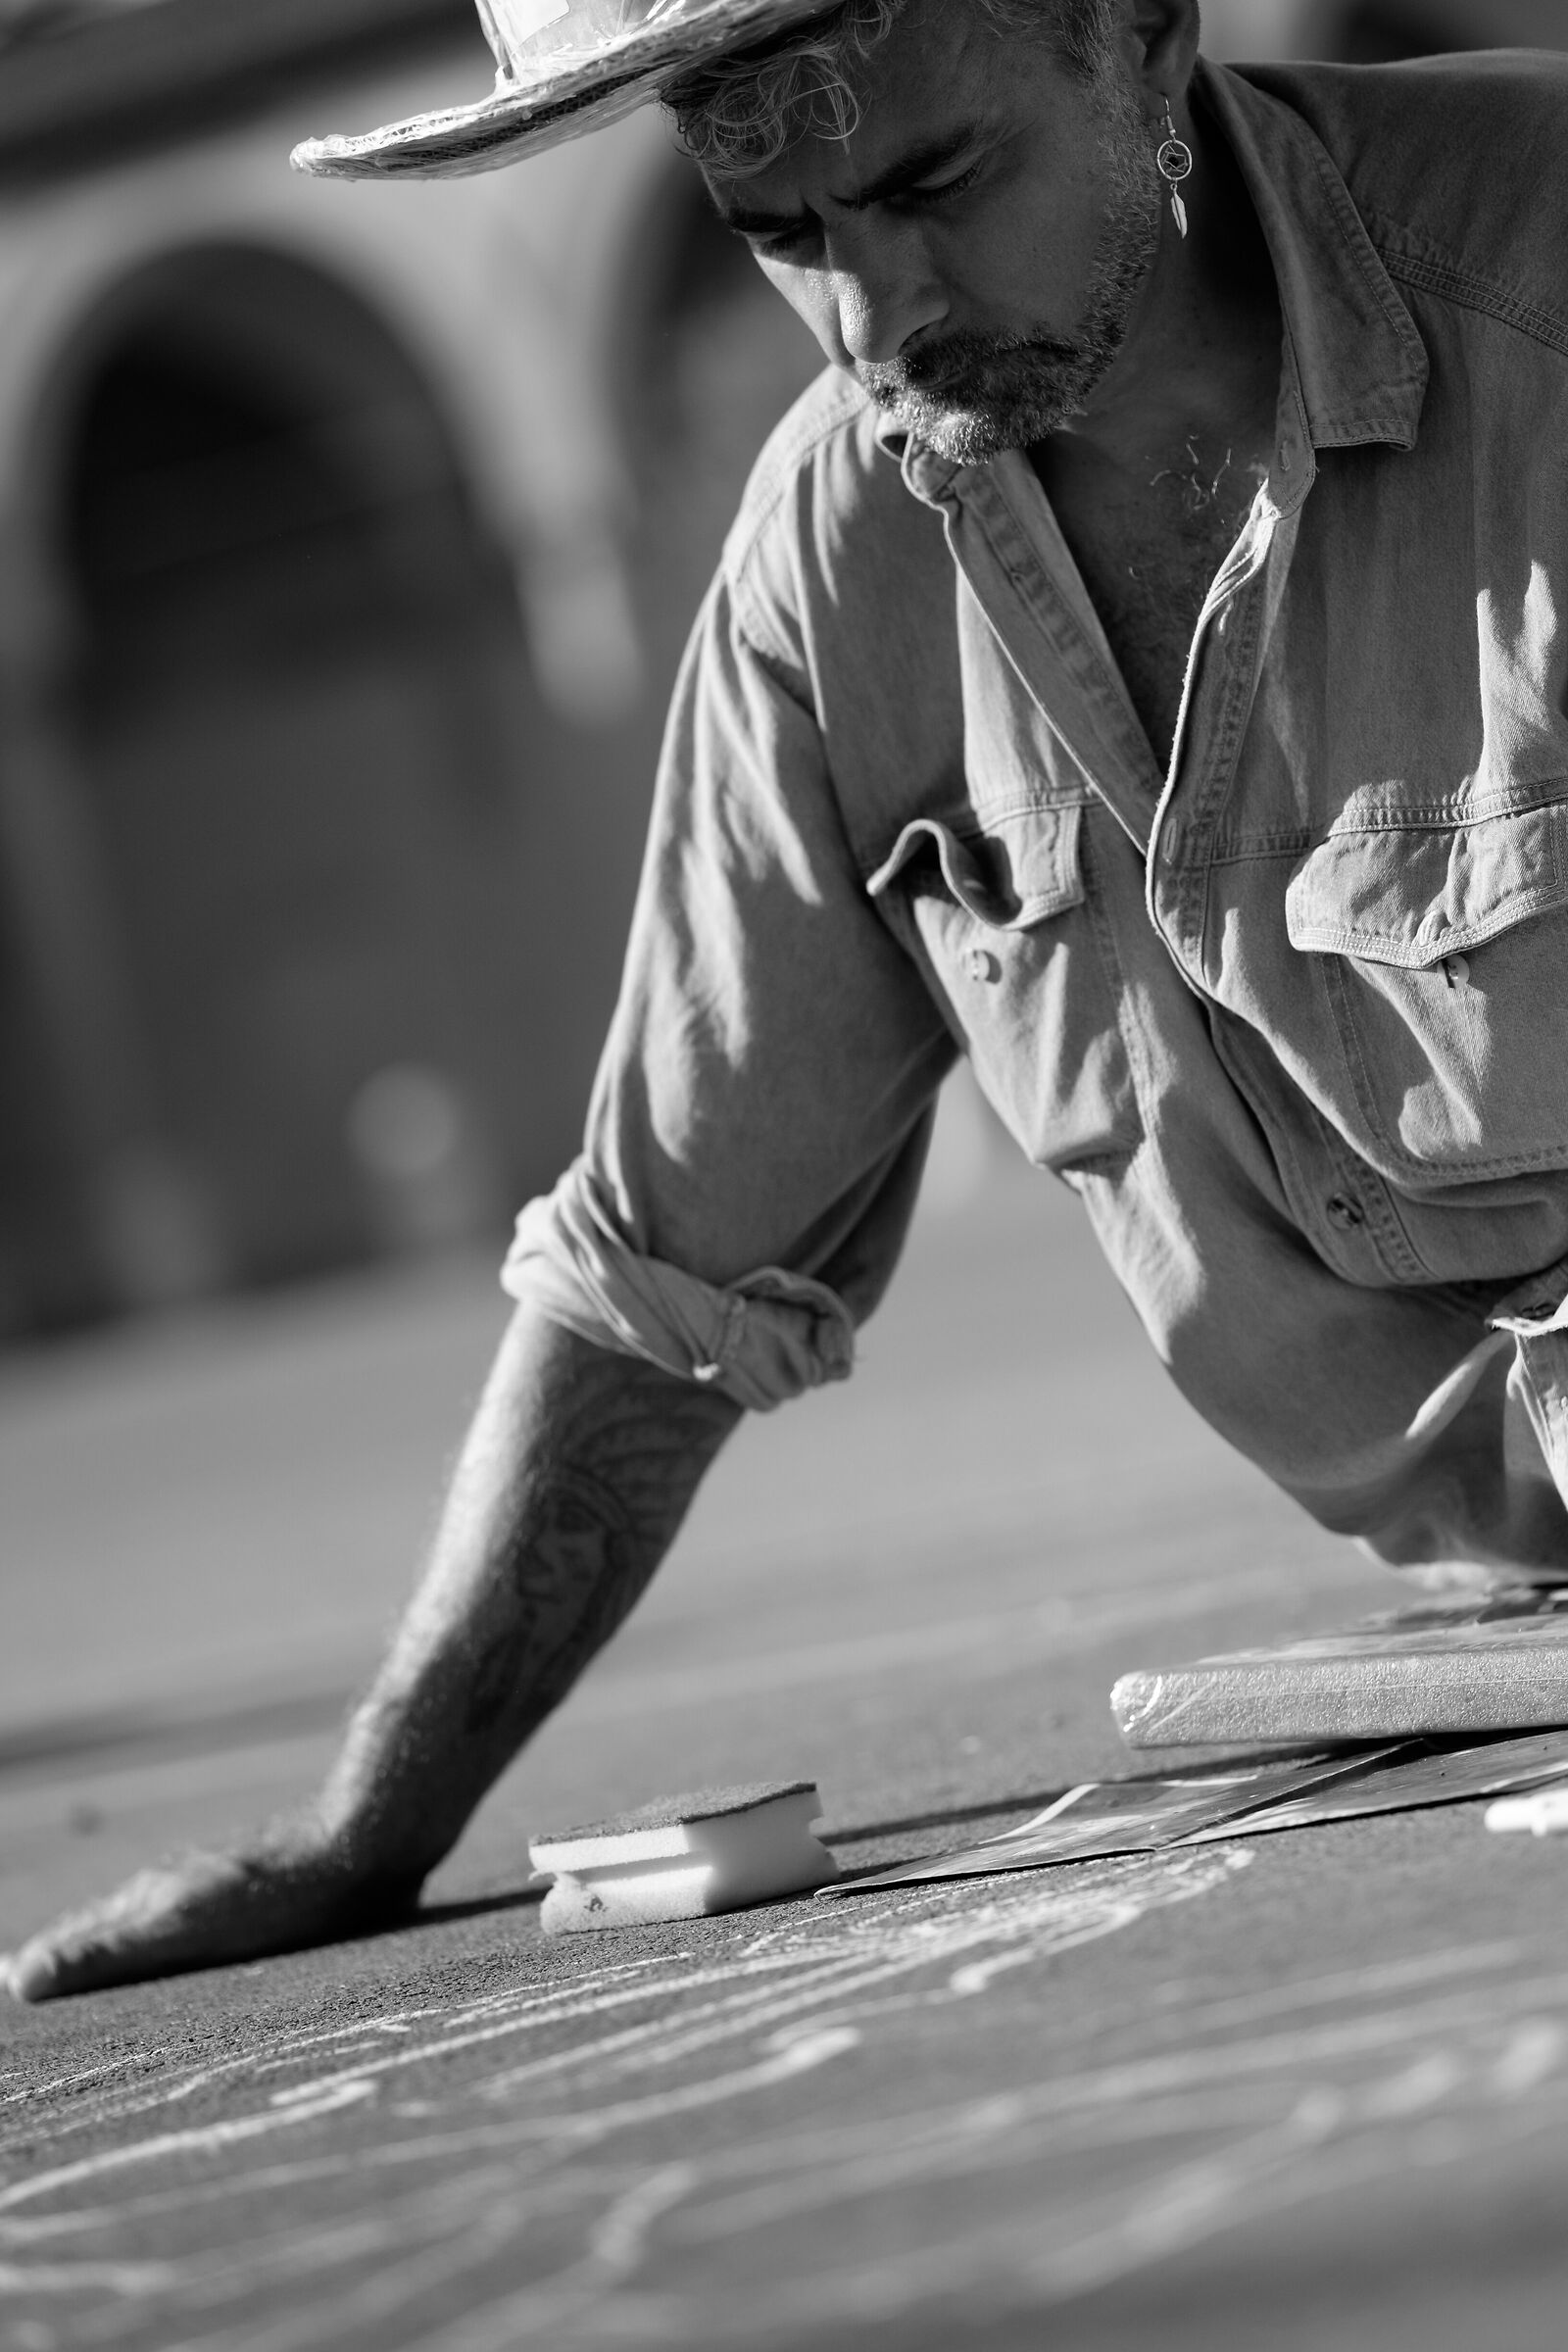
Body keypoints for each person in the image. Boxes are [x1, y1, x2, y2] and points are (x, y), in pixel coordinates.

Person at [11, 0, 1568, 2000]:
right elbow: (660, 1274)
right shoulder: (833, 575)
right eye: (778, 227)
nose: (872, 311)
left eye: (932, 183)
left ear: (1137, 42)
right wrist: (364, 1827)